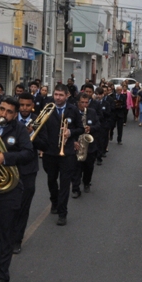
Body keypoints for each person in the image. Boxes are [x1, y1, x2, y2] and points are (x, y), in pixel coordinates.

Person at [0, 96, 35, 282]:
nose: (4, 114)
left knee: (5, 232)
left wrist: (5, 157)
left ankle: (2, 276)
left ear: (14, 114)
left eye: (9, 112)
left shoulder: (19, 130)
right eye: (2, 109)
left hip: (10, 188)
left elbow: (28, 152)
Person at [31, 84, 83, 225]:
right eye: (56, 94)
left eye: (61, 95)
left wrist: (70, 133)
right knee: (51, 180)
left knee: (65, 183)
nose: (58, 97)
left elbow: (81, 128)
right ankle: (54, 201)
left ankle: (62, 213)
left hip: (67, 153)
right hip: (50, 151)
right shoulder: (47, 108)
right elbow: (39, 127)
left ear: (67, 96)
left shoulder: (73, 109)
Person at [11, 93, 38, 254]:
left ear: (32, 105)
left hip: (29, 169)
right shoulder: (11, 120)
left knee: (23, 206)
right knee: (10, 205)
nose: (24, 108)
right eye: (21, 105)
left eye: (28, 105)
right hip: (11, 168)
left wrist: (32, 135)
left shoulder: (38, 120)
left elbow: (45, 144)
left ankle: (17, 239)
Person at [72, 93, 100, 196]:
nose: (84, 105)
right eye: (82, 102)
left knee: (89, 167)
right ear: (78, 102)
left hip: (90, 146)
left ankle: (87, 182)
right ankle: (75, 188)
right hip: (76, 143)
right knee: (76, 168)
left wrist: (90, 128)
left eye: (86, 103)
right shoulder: (73, 112)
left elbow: (98, 125)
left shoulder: (92, 112)